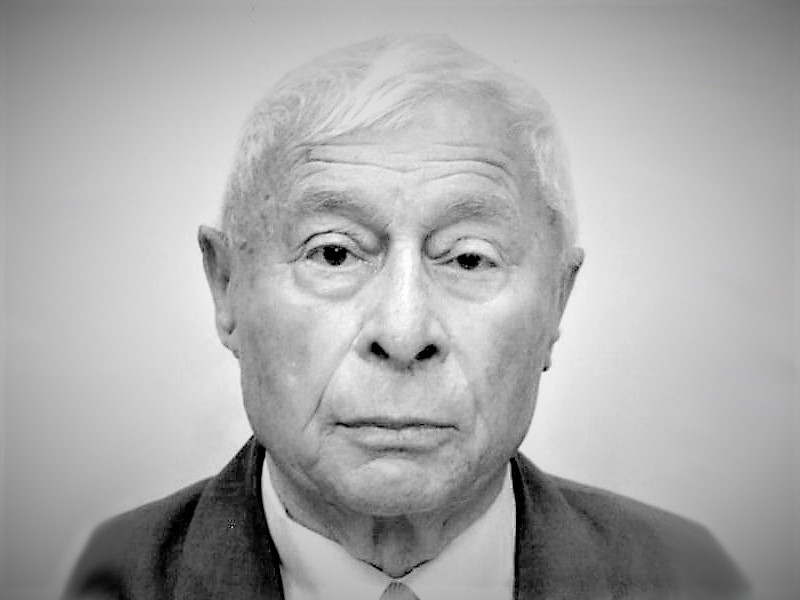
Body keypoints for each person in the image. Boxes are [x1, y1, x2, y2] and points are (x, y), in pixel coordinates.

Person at [64, 34, 747, 600]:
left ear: (557, 303)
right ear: (226, 287)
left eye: (469, 259)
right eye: (334, 253)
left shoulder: (695, 580)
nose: (403, 331)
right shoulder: (104, 581)